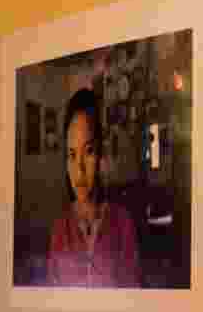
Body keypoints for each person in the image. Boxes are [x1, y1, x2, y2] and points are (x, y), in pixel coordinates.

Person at [47, 88, 141, 287]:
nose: (79, 168)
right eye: (71, 155)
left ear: (101, 154)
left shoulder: (123, 224)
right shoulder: (59, 230)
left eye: (88, 151)